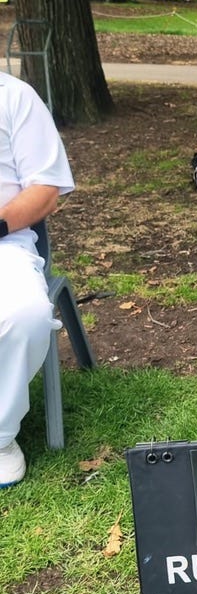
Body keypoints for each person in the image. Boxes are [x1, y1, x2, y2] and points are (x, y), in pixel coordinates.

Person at [0, 71, 75, 486]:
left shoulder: (15, 97)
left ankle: (0, 436)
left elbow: (46, 190)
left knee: (25, 315)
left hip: (4, 241)